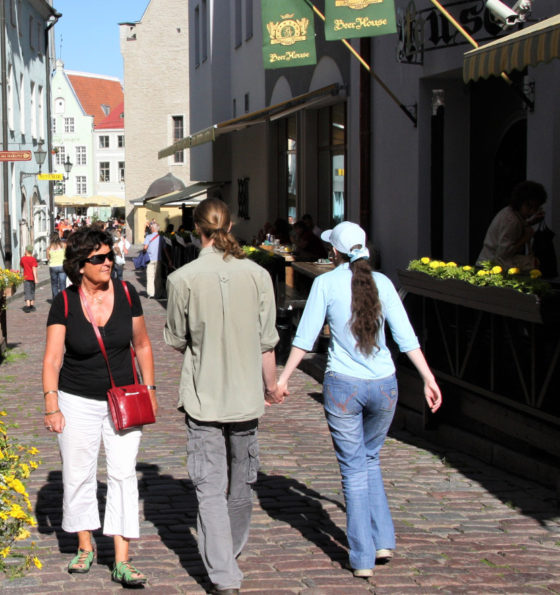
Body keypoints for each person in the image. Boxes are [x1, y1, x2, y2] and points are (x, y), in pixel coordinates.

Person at [273, 221, 442, 579]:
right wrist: (428, 377)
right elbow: (406, 337)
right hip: (384, 386)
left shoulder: (325, 283)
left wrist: (283, 378)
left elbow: (305, 337)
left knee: (353, 468)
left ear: (333, 252)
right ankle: (383, 540)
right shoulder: (383, 284)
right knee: (369, 458)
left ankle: (362, 555)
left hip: (344, 386)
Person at [163, 199, 280, 595]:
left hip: (205, 394)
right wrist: (271, 386)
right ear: (230, 226)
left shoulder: (182, 279)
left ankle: (224, 571)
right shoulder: (258, 275)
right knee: (241, 483)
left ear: (197, 229)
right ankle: (227, 558)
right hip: (246, 395)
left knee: (210, 487)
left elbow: (176, 338)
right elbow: (267, 343)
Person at [42, 227, 157, 586]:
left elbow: (142, 345)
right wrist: (51, 404)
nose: (108, 262)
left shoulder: (127, 293)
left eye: (110, 256)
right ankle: (84, 545)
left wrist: (150, 388)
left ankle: (122, 558)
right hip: (76, 399)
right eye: (99, 258)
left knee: (123, 474)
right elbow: (52, 359)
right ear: (80, 265)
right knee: (78, 473)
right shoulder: (64, 303)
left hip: (124, 399)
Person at [478, 180, 547, 271]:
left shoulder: (510, 213)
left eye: (536, 208)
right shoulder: (512, 220)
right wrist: (524, 238)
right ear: (520, 202)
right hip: (491, 268)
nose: (532, 211)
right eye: (529, 206)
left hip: (487, 264)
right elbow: (503, 253)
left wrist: (529, 223)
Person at [142, 221, 162, 298]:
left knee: (150, 276)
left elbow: (145, 247)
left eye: (150, 228)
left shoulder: (148, 237)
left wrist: (143, 252)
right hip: (158, 259)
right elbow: (165, 249)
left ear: (153, 228)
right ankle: (158, 293)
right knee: (158, 277)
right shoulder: (161, 238)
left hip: (150, 259)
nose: (150, 229)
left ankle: (151, 293)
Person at [47, 233, 67, 300]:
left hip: (53, 266)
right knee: (62, 284)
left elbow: (48, 258)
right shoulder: (63, 245)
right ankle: (63, 299)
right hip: (62, 266)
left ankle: (56, 300)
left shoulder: (49, 248)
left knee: (54, 284)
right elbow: (66, 255)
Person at [20, 245, 39, 311]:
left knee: (27, 291)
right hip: (32, 278)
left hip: (26, 278)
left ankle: (27, 306)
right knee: (32, 291)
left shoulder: (23, 258)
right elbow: (34, 269)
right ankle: (32, 305)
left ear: (26, 251)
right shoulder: (33, 259)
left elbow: (21, 265)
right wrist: (36, 278)